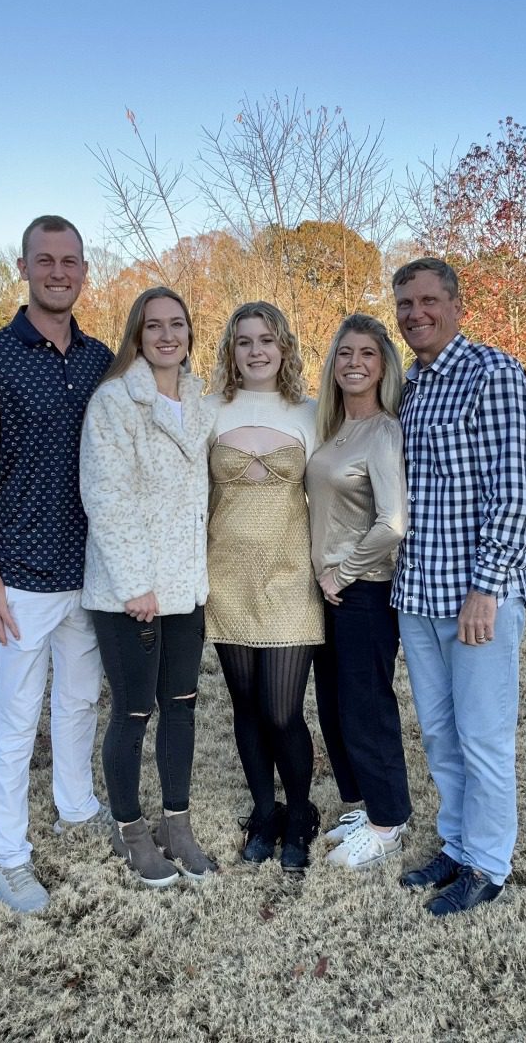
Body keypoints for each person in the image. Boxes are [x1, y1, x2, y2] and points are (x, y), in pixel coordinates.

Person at [0, 215, 113, 913]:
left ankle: (77, 804)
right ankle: (8, 858)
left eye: (69, 260)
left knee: (79, 701)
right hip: (19, 574)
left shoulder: (105, 359)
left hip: (93, 571)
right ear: (22, 268)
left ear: (83, 270)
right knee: (15, 721)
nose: (57, 272)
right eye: (44, 260)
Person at [391, 257, 526, 916]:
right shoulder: (414, 389)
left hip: (476, 596)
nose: (415, 313)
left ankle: (488, 863)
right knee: (440, 733)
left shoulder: (495, 373)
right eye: (405, 303)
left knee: (483, 734)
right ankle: (456, 842)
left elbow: (516, 492)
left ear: (455, 306)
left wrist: (488, 588)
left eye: (427, 300)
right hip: (419, 593)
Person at [80, 287, 216, 888]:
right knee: (134, 712)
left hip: (187, 587)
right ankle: (131, 829)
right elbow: (107, 498)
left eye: (178, 325)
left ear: (190, 334)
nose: (167, 335)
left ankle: (176, 824)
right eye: (154, 325)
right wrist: (137, 585)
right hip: (131, 593)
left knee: (181, 709)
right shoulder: (115, 401)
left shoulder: (199, 402)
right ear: (137, 334)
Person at [204, 302, 323, 871]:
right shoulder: (209, 411)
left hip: (289, 577)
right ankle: (263, 811)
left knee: (281, 710)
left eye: (267, 340)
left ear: (284, 348)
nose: (256, 351)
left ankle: (299, 814)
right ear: (231, 349)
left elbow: (331, 498)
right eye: (244, 340)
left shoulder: (310, 414)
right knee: (245, 706)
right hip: (225, 576)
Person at [306, 314, 413, 871]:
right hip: (327, 591)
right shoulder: (333, 428)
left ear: (383, 365)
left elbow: (393, 523)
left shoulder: (383, 431)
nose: (354, 363)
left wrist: (340, 574)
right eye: (345, 353)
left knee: (366, 707)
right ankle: (361, 802)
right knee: (334, 705)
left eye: (367, 354)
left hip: (363, 591)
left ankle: (389, 821)